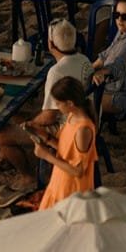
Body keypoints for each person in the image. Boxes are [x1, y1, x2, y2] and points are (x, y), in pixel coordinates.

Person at [0, 18, 92, 177]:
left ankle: (27, 177)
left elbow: (48, 117)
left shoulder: (57, 71)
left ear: (51, 44)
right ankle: (6, 154)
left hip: (66, 130)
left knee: (1, 135)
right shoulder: (84, 59)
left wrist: (30, 124)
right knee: (17, 117)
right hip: (85, 121)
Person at [32, 77, 97, 210]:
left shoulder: (83, 129)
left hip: (72, 190)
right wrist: (46, 138)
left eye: (58, 103)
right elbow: (68, 150)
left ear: (70, 103)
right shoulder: (72, 116)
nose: (56, 106)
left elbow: (78, 171)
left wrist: (46, 156)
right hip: (60, 182)